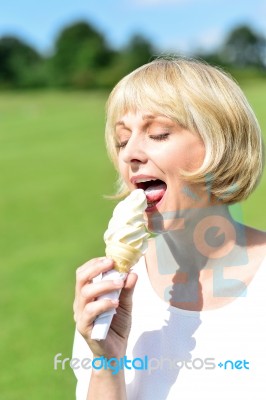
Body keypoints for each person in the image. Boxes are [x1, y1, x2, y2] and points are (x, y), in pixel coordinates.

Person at [72, 57, 266, 400]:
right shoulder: (110, 295)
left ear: (221, 144)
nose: (130, 153)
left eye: (158, 134)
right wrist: (107, 360)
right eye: (121, 140)